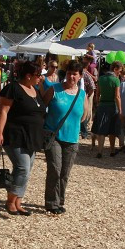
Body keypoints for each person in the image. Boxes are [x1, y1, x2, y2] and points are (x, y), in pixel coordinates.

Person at [0, 61, 46, 216]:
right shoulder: (12, 88)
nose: (40, 78)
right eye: (38, 75)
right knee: (22, 167)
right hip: (15, 134)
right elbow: (3, 111)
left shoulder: (34, 89)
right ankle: (10, 201)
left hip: (32, 136)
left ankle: (18, 201)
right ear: (28, 75)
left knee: (26, 170)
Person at [42, 61, 85, 214]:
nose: (71, 76)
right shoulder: (54, 89)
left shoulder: (82, 94)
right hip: (54, 136)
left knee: (65, 173)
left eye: (74, 74)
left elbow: (84, 115)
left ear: (80, 76)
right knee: (55, 168)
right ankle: (51, 203)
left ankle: (60, 200)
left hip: (72, 138)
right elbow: (42, 108)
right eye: (69, 73)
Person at [92, 62, 122, 158]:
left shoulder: (101, 79)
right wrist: (120, 109)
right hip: (112, 106)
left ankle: (100, 151)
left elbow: (97, 94)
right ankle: (112, 150)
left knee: (101, 129)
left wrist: (97, 103)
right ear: (115, 69)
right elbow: (117, 96)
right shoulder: (116, 80)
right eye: (119, 70)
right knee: (112, 130)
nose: (120, 73)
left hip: (102, 105)